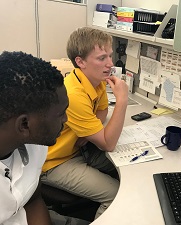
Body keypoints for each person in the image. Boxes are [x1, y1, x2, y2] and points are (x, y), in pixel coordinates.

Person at [41, 27, 129, 219]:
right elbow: (108, 143)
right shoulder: (74, 93)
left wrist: (87, 132)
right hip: (55, 162)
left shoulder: (94, 80)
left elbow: (102, 110)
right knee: (115, 194)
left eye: (110, 56)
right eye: (101, 58)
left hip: (78, 150)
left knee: (129, 170)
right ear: (80, 62)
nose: (110, 64)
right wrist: (122, 100)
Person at [0, 51, 89, 225]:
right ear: (25, 125)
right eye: (61, 114)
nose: (66, 120)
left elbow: (33, 199)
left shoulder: (36, 144)